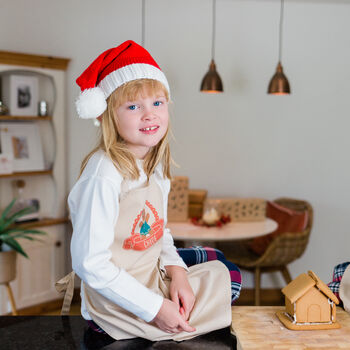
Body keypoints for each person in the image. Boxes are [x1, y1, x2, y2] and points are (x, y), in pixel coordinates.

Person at [56, 40, 241, 341]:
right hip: (113, 305)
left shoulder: (153, 165)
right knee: (229, 277)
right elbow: (90, 263)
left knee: (220, 260)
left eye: (157, 103)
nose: (149, 114)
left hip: (149, 270)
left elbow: (158, 229)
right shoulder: (104, 175)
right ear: (106, 116)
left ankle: (178, 302)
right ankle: (159, 321)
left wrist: (178, 273)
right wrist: (156, 308)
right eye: (133, 106)